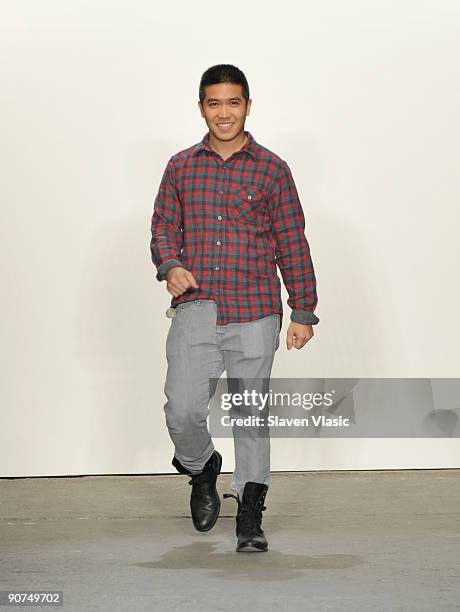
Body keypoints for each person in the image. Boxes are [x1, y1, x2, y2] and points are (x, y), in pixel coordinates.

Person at [150, 64, 319, 552]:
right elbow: (163, 226)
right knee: (182, 409)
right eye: (214, 103)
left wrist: (303, 309)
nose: (224, 113)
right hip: (196, 305)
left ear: (248, 105)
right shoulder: (181, 166)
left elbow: (292, 241)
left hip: (255, 309)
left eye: (233, 102)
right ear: (202, 107)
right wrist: (171, 265)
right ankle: (202, 468)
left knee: (250, 414)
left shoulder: (272, 169)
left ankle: (250, 510)